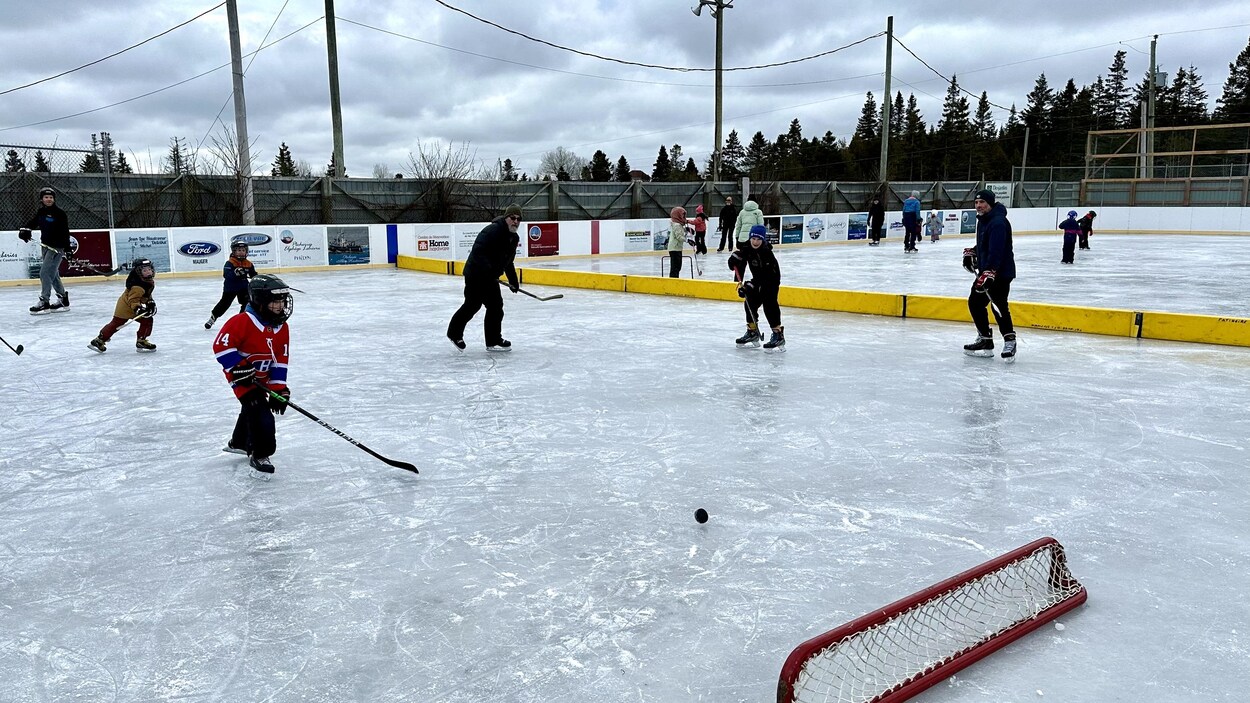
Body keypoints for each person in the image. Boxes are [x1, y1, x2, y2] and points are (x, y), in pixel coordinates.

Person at [212, 273, 294, 480]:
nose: (280, 305)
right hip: (241, 378)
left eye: (283, 300)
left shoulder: (282, 326)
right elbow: (221, 346)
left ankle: (239, 443)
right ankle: (261, 454)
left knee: (252, 407)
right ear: (259, 301)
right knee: (260, 412)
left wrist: (278, 388)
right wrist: (238, 367)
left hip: (263, 376)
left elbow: (280, 360)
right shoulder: (242, 321)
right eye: (275, 301)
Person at [447, 203, 522, 351]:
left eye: (519, 219)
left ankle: (493, 340)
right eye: (513, 218)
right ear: (506, 217)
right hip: (475, 274)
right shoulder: (492, 231)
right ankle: (454, 333)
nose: (516, 222)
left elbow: (508, 261)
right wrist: (489, 271)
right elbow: (478, 252)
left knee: (496, 307)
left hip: (490, 277)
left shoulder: (513, 238)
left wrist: (513, 280)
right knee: (472, 305)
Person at [962, 189, 1017, 361]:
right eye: (977, 203)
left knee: (998, 306)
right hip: (987, 271)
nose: (978, 206)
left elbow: (997, 250)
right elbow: (985, 244)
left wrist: (990, 271)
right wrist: (973, 251)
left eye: (982, 203)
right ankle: (985, 339)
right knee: (975, 303)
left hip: (1000, 272)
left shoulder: (998, 222)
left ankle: (1010, 340)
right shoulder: (984, 221)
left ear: (990, 203)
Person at [729, 225, 785, 351]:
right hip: (758, 279)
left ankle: (778, 334)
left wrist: (749, 286)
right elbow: (740, 259)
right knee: (750, 301)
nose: (755, 242)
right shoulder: (747, 247)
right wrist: (733, 260)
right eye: (753, 238)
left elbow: (764, 276)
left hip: (771, 280)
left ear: (763, 240)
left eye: (758, 239)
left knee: (769, 304)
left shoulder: (766, 253)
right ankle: (752, 331)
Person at [18, 187, 72, 314]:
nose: (49, 199)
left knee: (45, 273)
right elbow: (33, 222)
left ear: (54, 199)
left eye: (51, 197)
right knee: (53, 274)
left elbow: (65, 231)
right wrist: (25, 229)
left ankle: (44, 301)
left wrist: (68, 249)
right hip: (45, 246)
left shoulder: (60, 213)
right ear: (42, 199)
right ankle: (63, 299)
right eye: (46, 197)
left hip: (56, 248)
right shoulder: (41, 212)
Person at [88, 258, 158, 353]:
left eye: (149, 269)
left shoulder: (146, 281)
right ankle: (99, 340)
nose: (148, 272)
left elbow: (146, 294)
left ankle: (141, 340)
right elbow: (133, 300)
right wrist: (138, 309)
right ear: (138, 272)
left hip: (130, 305)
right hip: (125, 307)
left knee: (147, 320)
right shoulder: (137, 286)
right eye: (145, 270)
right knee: (116, 323)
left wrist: (150, 302)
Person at [205, 241, 257, 329]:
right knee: (225, 303)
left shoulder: (248, 264)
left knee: (247, 302)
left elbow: (253, 275)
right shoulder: (230, 263)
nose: (241, 252)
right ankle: (213, 317)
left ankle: (241, 320)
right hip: (230, 287)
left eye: (243, 250)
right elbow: (226, 275)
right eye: (239, 250)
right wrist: (235, 273)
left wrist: (258, 278)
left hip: (243, 287)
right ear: (234, 251)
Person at [666, 206, 688, 278]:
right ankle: (673, 282)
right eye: (682, 215)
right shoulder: (677, 225)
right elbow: (679, 237)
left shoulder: (678, 224)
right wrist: (688, 240)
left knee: (677, 267)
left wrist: (686, 230)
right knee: (675, 268)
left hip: (677, 248)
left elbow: (679, 232)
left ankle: (674, 280)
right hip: (675, 248)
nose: (684, 216)